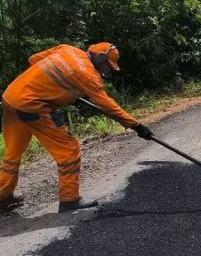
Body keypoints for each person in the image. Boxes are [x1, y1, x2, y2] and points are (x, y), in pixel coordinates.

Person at [0, 43, 154, 212]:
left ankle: (2, 196)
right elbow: (108, 106)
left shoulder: (68, 49)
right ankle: (69, 199)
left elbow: (33, 60)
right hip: (32, 105)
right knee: (68, 149)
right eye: (108, 66)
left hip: (11, 97)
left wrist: (63, 82)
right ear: (101, 58)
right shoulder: (88, 75)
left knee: (13, 152)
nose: (107, 71)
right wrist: (136, 126)